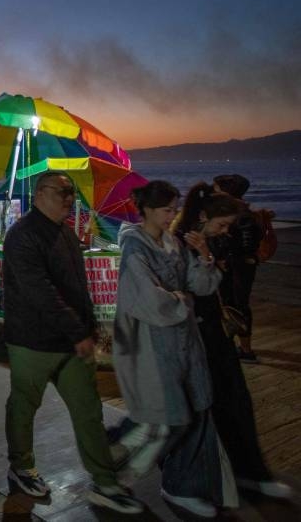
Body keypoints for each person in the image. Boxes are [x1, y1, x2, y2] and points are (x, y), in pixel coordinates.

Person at [2, 171, 142, 514]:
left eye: (71, 192)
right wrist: (79, 331)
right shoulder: (22, 236)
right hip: (32, 342)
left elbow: (79, 287)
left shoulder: (66, 233)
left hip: (70, 344)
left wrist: (90, 326)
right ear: (39, 194)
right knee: (24, 405)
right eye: (62, 191)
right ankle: (21, 466)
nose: (69, 198)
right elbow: (40, 292)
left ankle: (106, 482)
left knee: (88, 410)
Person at [112, 181, 234, 517]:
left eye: (174, 209)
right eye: (167, 209)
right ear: (148, 209)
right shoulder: (135, 249)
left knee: (191, 412)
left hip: (184, 344)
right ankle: (124, 471)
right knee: (173, 418)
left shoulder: (173, 245)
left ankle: (176, 483)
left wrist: (205, 256)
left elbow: (199, 284)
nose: (172, 216)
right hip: (153, 346)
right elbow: (148, 300)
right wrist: (183, 301)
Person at [175, 182, 292, 502]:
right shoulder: (175, 244)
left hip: (215, 332)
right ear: (201, 216)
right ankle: (193, 482)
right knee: (196, 412)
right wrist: (204, 257)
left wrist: (210, 255)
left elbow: (215, 282)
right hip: (190, 336)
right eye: (221, 223)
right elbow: (191, 290)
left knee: (236, 401)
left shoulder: (213, 241)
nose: (225, 230)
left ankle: (250, 473)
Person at [212, 174, 264, 362]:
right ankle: (236, 345)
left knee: (237, 304)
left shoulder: (240, 214)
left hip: (237, 265)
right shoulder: (241, 211)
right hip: (234, 264)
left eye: (216, 188)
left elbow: (246, 243)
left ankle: (246, 349)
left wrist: (224, 254)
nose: (214, 191)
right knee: (230, 303)